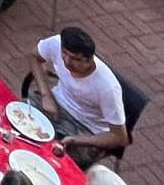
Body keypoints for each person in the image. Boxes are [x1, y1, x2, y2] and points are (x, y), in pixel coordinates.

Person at [29, 26, 127, 167]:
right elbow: (34, 56)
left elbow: (119, 137)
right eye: (64, 54)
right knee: (19, 122)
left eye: (75, 59)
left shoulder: (108, 88)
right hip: (56, 105)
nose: (67, 62)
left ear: (90, 60)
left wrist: (78, 140)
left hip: (85, 129)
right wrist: (46, 95)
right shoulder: (57, 43)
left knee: (55, 162)